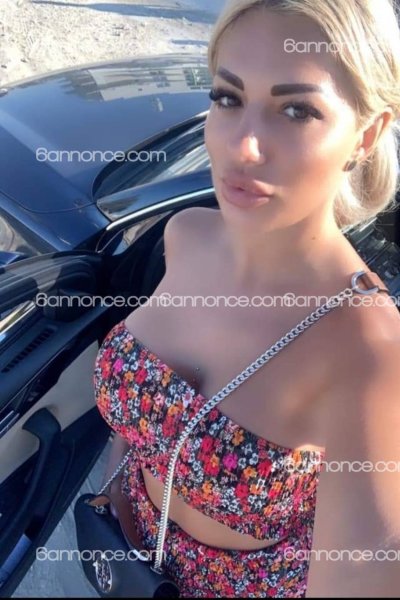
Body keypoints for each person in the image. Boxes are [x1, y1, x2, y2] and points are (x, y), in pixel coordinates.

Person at [94, 0, 400, 596]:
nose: (244, 147)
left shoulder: (369, 348)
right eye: (228, 98)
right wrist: (113, 509)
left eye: (296, 110)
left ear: (365, 135)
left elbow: (364, 571)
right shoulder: (185, 237)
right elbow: (139, 426)